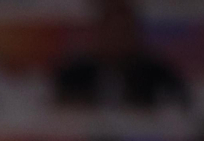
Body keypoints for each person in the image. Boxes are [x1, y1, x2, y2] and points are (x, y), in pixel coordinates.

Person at [52, 0, 186, 110]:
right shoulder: (74, 74)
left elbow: (177, 107)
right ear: (98, 31)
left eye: (123, 29)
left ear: (135, 32)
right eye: (110, 29)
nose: (116, 37)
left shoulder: (157, 74)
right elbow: (57, 109)